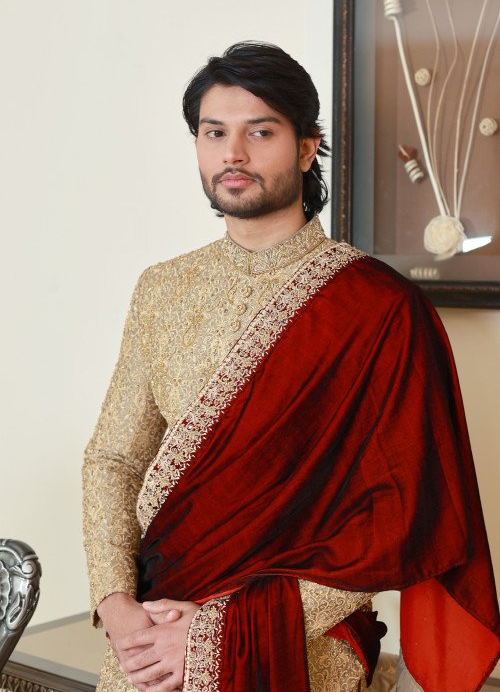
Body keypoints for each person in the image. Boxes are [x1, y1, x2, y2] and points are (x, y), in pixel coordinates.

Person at [83, 41, 499, 692]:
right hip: (149, 644)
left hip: (303, 651)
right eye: (214, 133)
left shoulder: (380, 308)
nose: (233, 153)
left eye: (260, 132)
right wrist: (115, 603)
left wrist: (219, 630)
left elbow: (405, 517)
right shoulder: (162, 289)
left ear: (307, 148)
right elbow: (114, 457)